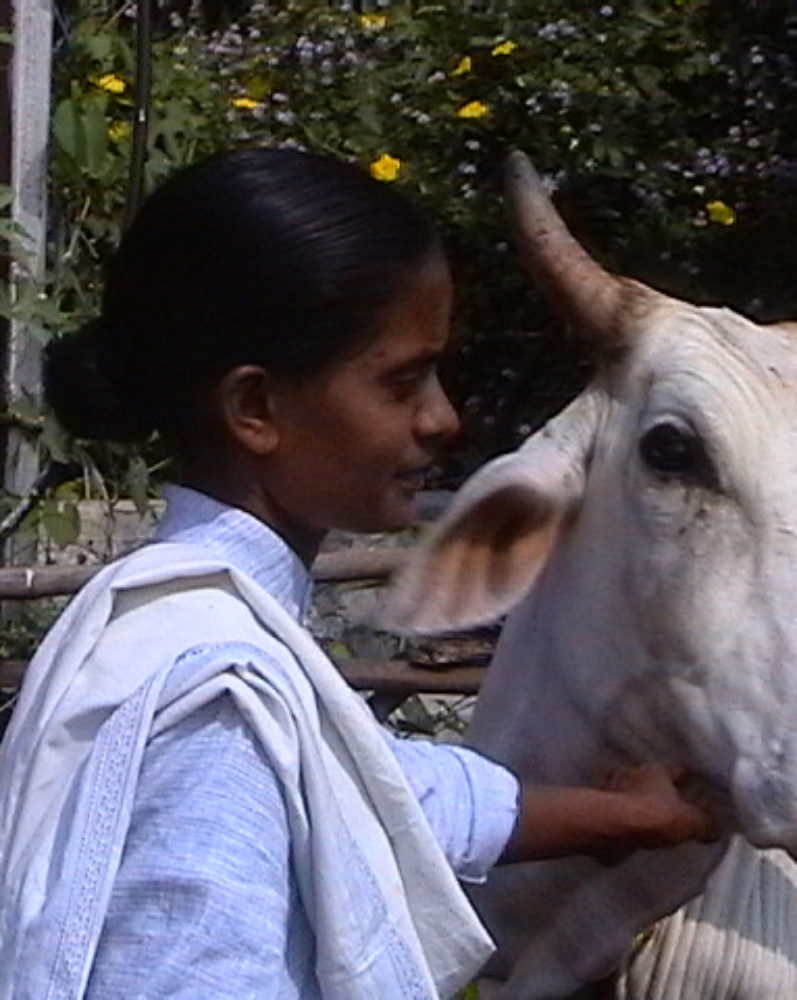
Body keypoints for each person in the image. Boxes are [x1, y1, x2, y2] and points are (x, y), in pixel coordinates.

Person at [0, 147, 716, 1000]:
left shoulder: (188, 634)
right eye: (402, 380)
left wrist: (618, 818)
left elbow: (378, 784)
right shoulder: (219, 703)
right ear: (256, 409)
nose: (443, 417)